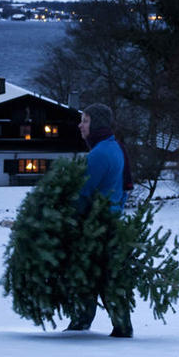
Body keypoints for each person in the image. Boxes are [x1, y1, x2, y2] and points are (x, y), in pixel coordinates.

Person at [66, 103, 134, 338]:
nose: (80, 125)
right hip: (110, 223)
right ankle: (115, 326)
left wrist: (69, 218)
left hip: (95, 227)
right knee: (102, 275)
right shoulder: (117, 148)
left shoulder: (99, 154)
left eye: (85, 120)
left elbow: (83, 193)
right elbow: (126, 188)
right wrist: (117, 211)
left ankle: (83, 325)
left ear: (97, 124)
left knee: (93, 275)